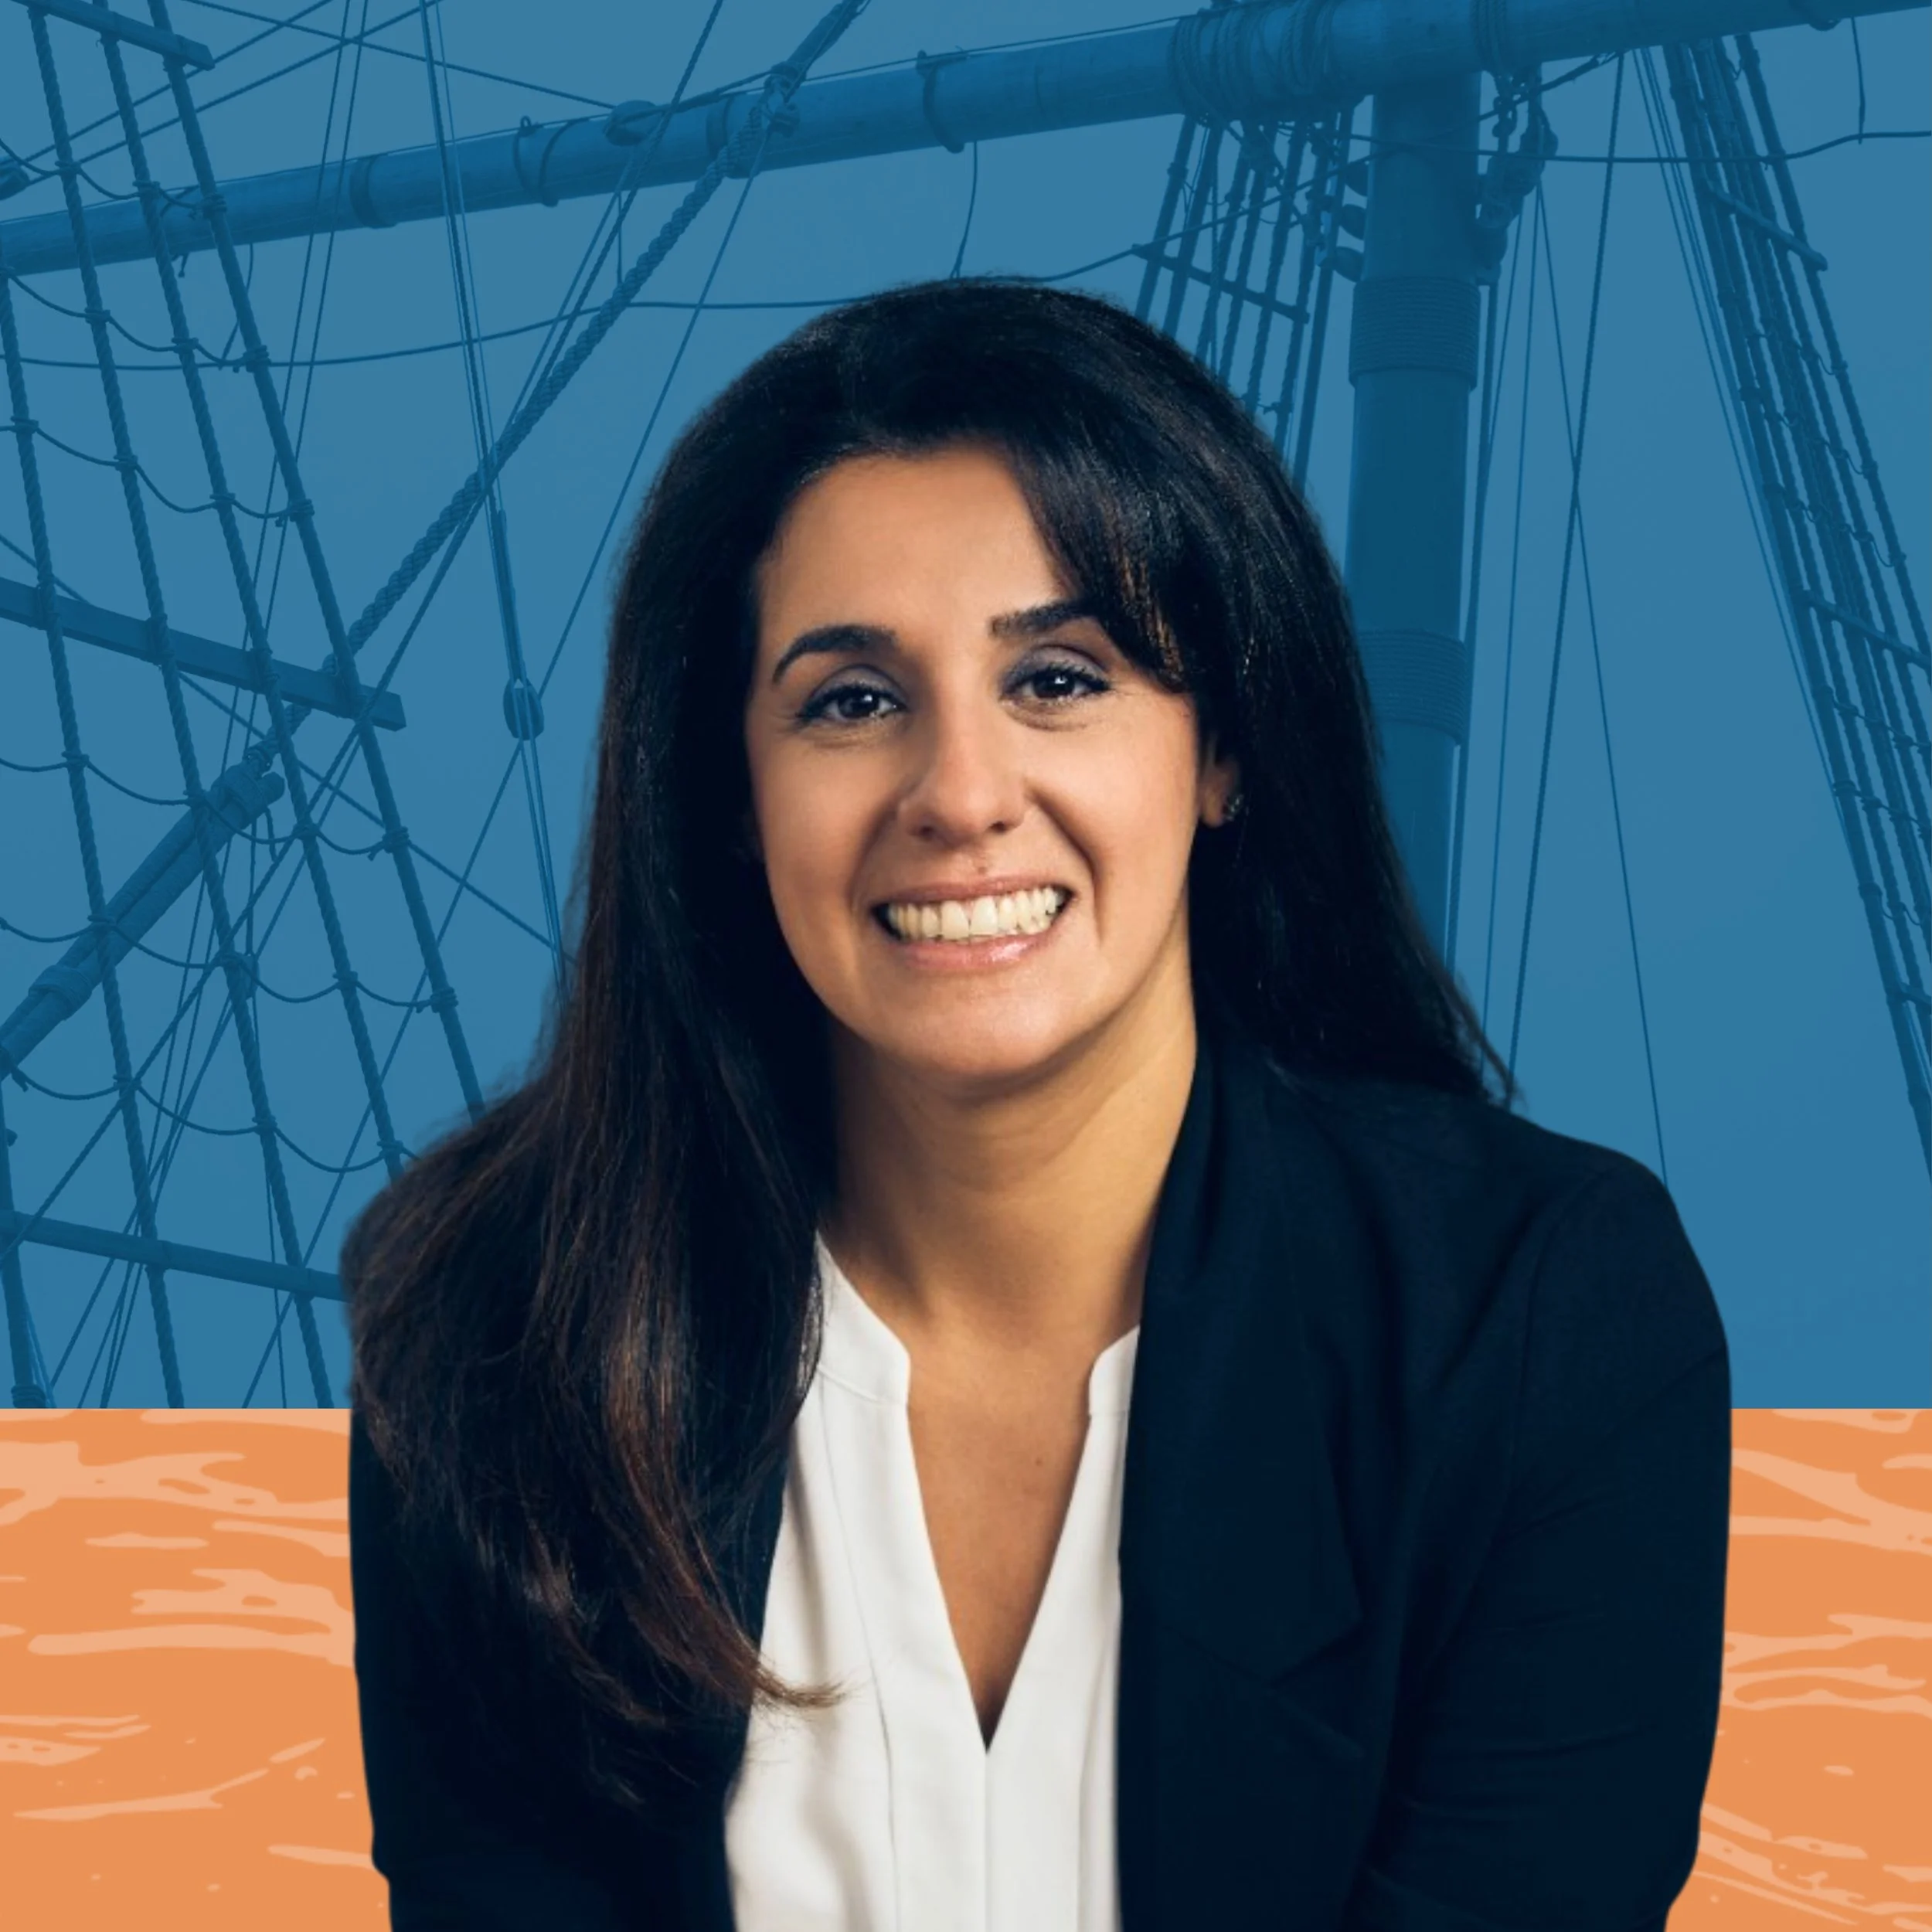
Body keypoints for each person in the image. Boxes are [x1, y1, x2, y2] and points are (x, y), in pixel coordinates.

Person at [343, 279, 1732, 1932]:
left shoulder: (1540, 1318)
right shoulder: (500, 1330)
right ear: (725, 794)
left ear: (1221, 750)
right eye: (851, 699)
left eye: (1059, 678)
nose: (959, 795)